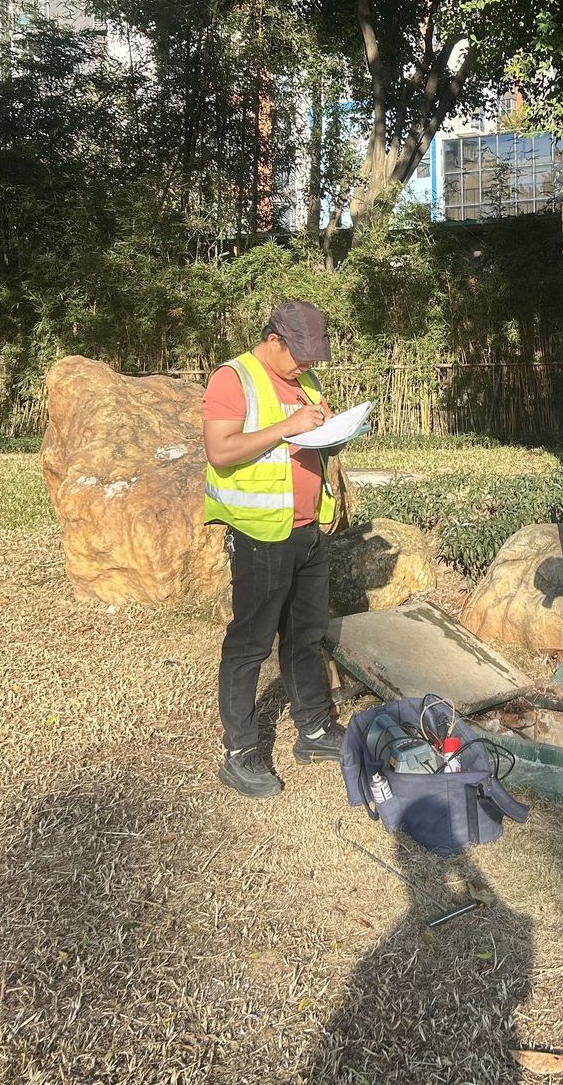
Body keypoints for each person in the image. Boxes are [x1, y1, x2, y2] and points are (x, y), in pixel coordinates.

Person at [203, 300, 346, 798]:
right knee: (250, 643)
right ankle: (240, 751)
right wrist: (289, 426)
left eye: (313, 356)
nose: (307, 364)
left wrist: (335, 435)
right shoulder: (233, 378)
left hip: (306, 530)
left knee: (306, 635)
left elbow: (310, 444)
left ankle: (314, 729)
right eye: (300, 354)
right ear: (273, 340)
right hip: (260, 534)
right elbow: (220, 451)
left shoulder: (306, 381)